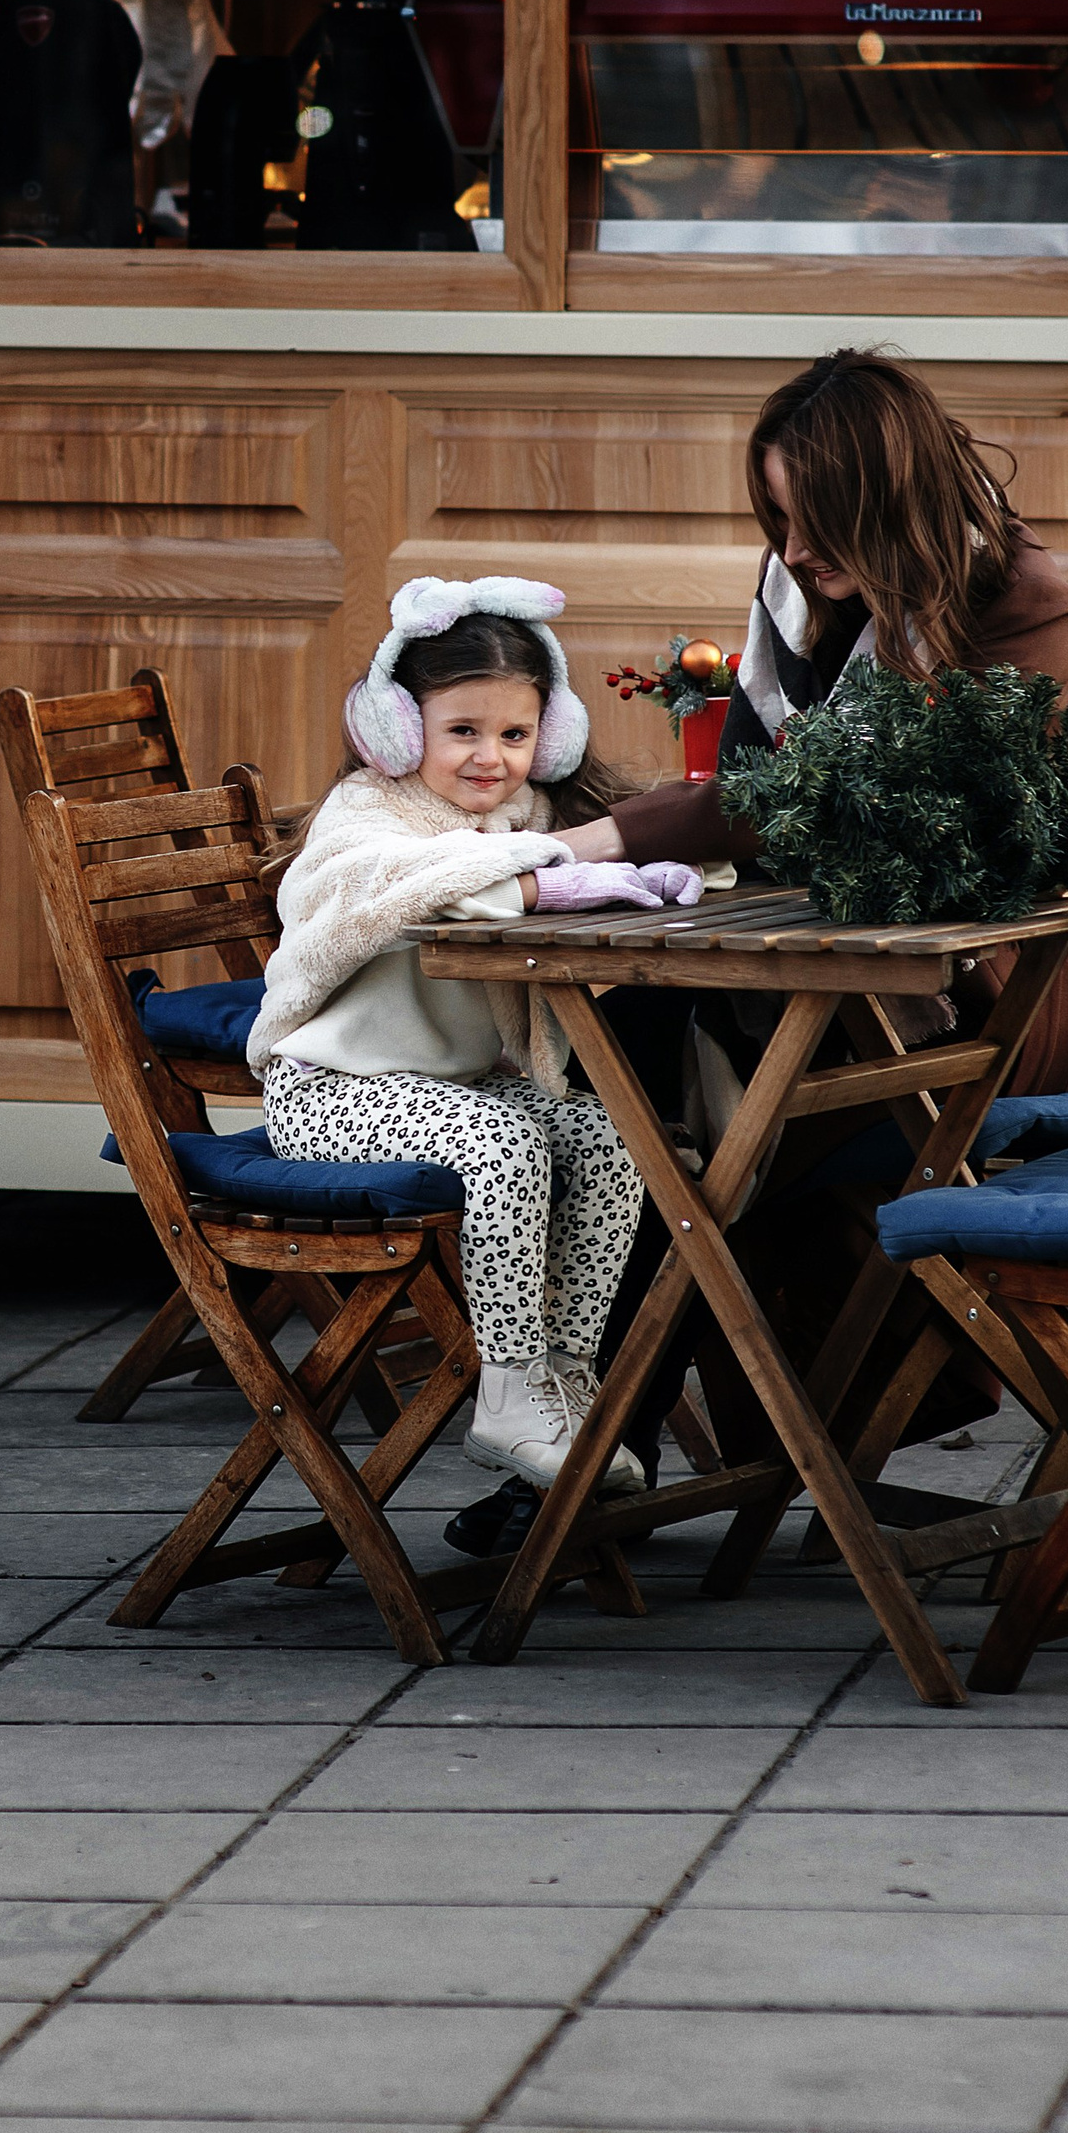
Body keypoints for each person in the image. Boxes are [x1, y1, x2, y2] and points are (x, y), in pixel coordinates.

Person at [557, 345, 1068, 1094]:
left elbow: (837, 797)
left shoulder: (1022, 608)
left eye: (817, 519)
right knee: (593, 1070)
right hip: (814, 959)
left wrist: (601, 837)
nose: (791, 549)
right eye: (780, 517)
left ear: (887, 500)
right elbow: (747, 779)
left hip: (981, 1010)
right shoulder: (803, 581)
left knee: (644, 1098)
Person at [249, 575, 704, 1489]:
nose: (489, 757)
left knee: (613, 1134)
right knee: (505, 1142)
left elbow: (571, 850)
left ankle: (563, 1377)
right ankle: (505, 1391)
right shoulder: (364, 821)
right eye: (462, 731)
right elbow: (411, 882)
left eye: (514, 733)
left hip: (447, 1091)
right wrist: (550, 875)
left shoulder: (520, 815)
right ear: (399, 730)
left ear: (551, 734)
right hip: (331, 1096)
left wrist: (666, 862)